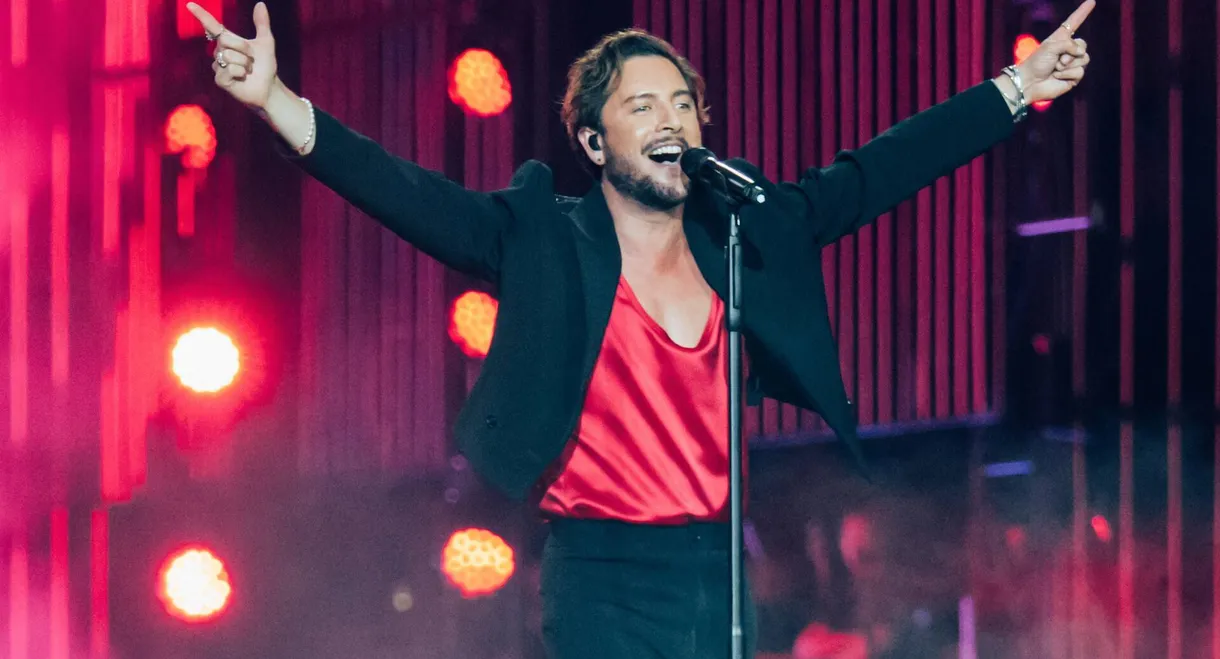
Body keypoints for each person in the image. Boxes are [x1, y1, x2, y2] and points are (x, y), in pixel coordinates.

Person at [185, 2, 1094, 658]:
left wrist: (1018, 87)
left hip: (717, 566)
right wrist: (275, 101)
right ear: (594, 142)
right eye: (643, 105)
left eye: (683, 104)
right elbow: (404, 191)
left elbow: (875, 172)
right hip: (600, 571)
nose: (672, 120)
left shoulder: (739, 230)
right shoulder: (542, 238)